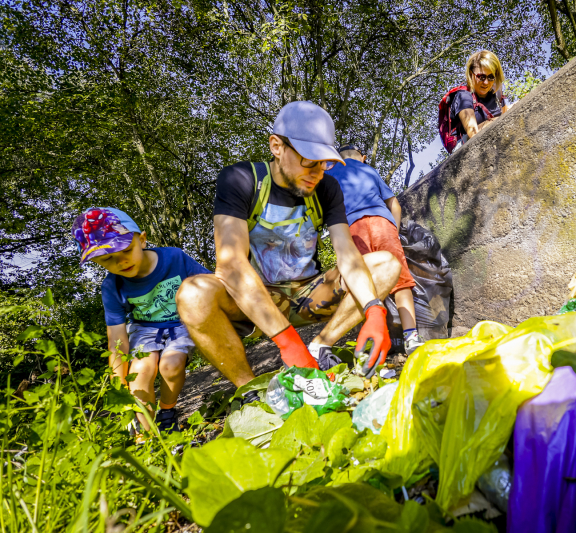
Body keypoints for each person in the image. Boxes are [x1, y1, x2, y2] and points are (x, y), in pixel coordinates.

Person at [176, 101, 400, 400]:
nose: (318, 172)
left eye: (325, 162)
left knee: (386, 263)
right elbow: (230, 266)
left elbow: (347, 255)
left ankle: (318, 348)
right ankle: (251, 390)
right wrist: (286, 342)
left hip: (309, 294)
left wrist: (374, 308)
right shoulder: (241, 180)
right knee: (193, 294)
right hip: (256, 300)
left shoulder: (327, 188)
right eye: (310, 160)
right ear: (277, 146)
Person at [71, 207, 210, 433]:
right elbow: (117, 339)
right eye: (107, 259)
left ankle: (167, 412)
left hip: (182, 323)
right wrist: (119, 386)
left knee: (171, 365)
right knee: (140, 372)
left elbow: (209, 284)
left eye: (125, 250)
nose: (121, 262)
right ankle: (145, 436)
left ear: (142, 239)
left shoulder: (174, 258)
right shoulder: (112, 287)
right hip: (144, 330)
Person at [326, 144, 425, 355]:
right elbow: (394, 204)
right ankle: (411, 338)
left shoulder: (330, 172)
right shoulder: (369, 170)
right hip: (382, 224)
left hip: (352, 228)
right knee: (401, 282)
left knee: (362, 284)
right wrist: (394, 231)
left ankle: (374, 343)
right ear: (362, 157)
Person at [451, 50, 509, 142]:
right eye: (481, 77)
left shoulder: (496, 94)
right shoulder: (464, 97)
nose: (486, 82)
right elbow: (473, 133)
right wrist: (500, 120)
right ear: (471, 74)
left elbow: (506, 114)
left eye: (491, 77)